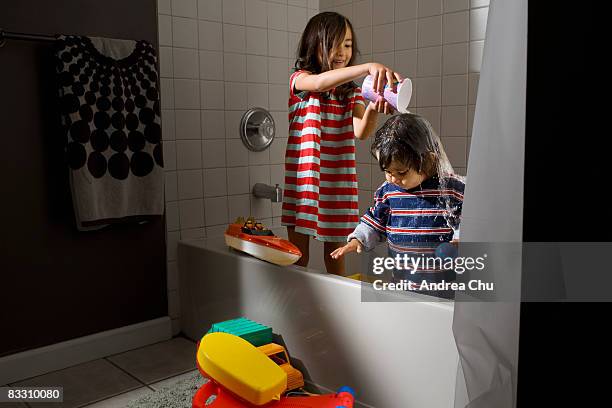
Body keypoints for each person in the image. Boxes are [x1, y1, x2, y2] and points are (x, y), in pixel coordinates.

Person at [282, 11, 401, 275]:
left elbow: (361, 131)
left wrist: (373, 106)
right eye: (335, 44)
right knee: (298, 259)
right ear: (315, 45)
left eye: (347, 45)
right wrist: (367, 67)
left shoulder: (351, 92)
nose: (342, 52)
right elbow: (319, 82)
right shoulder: (300, 80)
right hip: (305, 182)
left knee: (335, 260)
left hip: (337, 180)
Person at [330, 114, 465, 298]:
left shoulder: (450, 188)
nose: (393, 178)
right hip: (403, 284)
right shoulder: (389, 192)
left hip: (444, 287)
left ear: (427, 160)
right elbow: (375, 220)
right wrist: (358, 239)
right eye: (387, 171)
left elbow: (468, 217)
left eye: (401, 172)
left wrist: (461, 239)